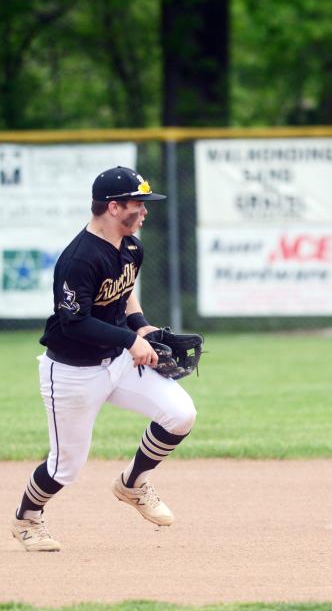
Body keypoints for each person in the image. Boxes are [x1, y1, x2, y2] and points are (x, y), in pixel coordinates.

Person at [9, 167, 197, 552]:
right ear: (113, 207)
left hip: (118, 363)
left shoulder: (130, 246)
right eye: (137, 204)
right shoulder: (79, 259)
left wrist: (141, 327)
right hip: (72, 372)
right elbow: (74, 322)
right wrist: (131, 340)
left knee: (180, 414)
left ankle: (132, 483)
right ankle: (26, 518)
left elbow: (125, 294)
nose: (144, 212)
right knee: (65, 468)